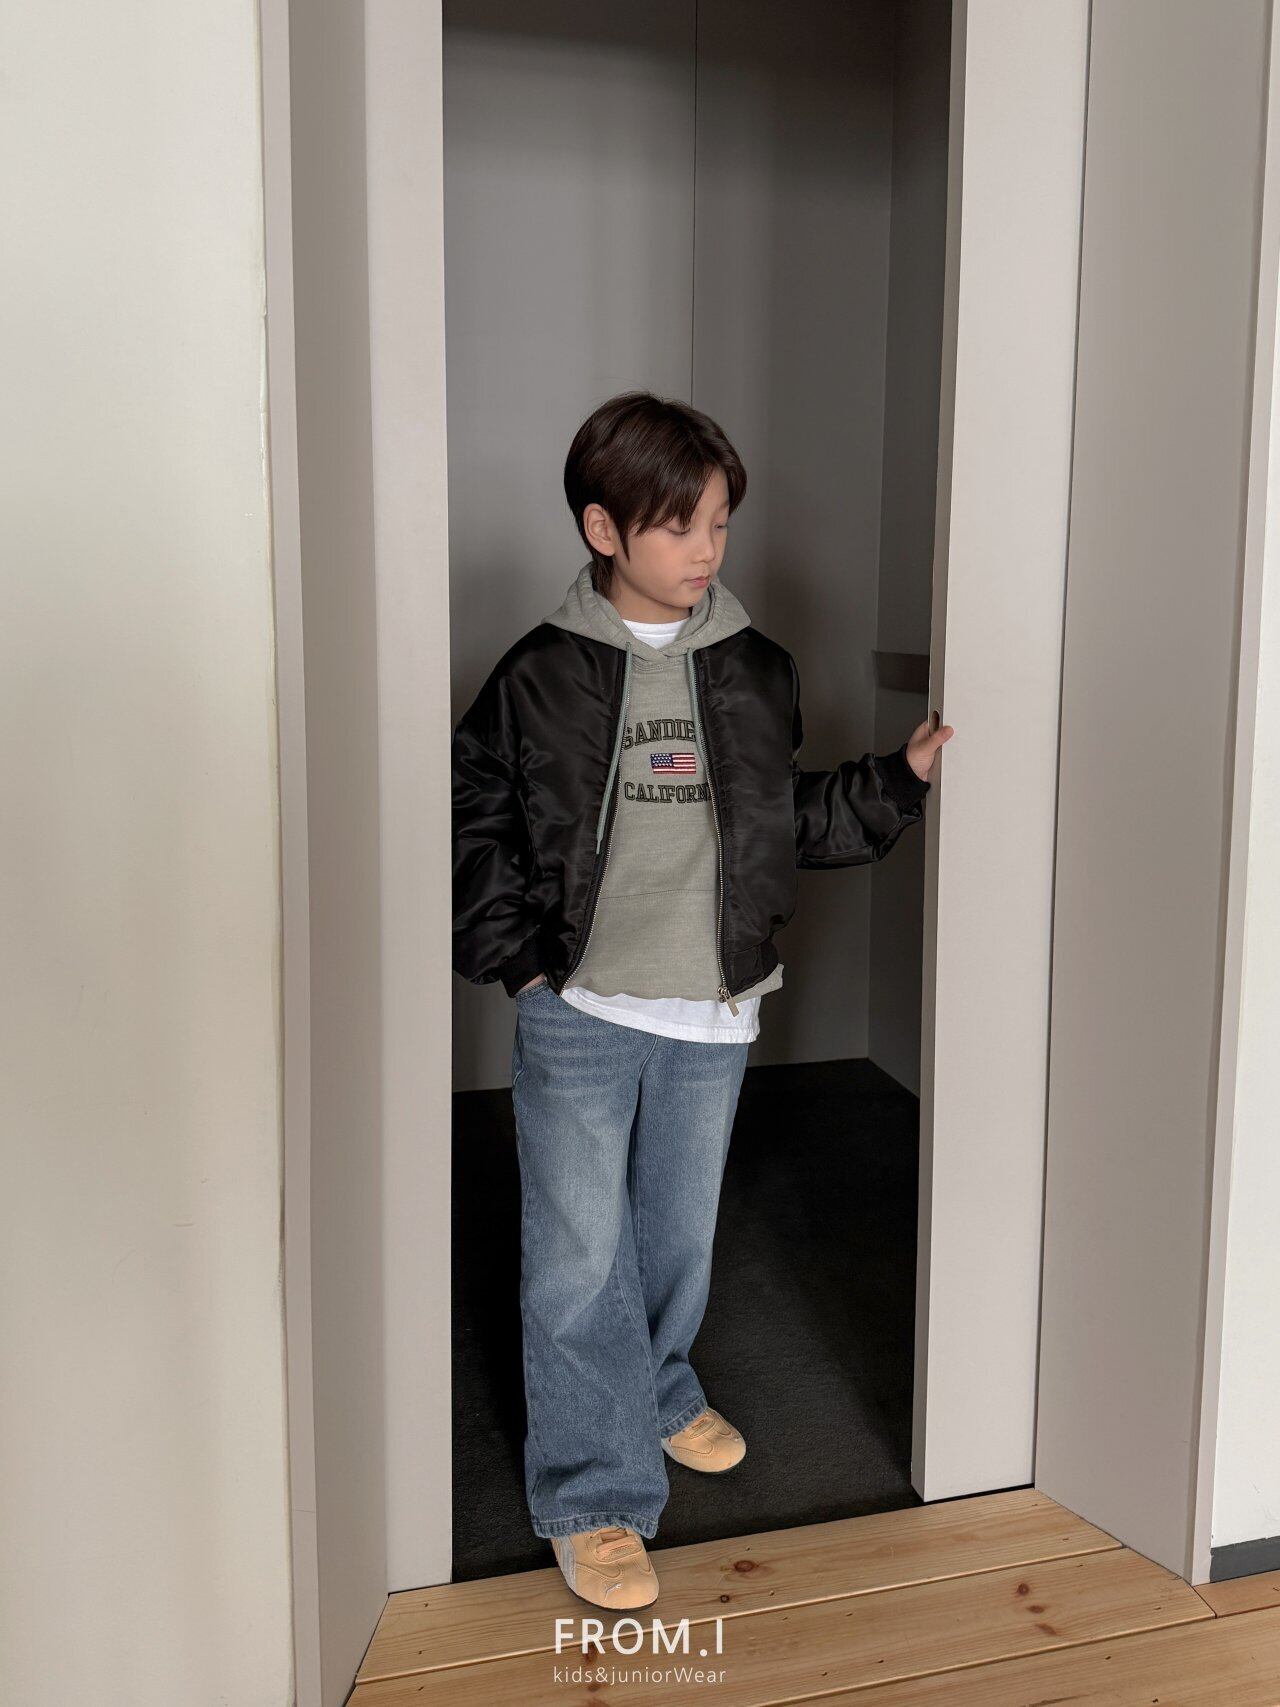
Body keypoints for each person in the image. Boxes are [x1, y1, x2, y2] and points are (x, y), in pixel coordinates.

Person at [452, 390, 953, 1608]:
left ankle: (659, 1388)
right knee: (577, 1258)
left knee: (674, 1236)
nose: (705, 549)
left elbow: (785, 822)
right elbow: (471, 815)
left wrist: (895, 781)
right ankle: (593, 1493)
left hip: (714, 1008)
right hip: (579, 1005)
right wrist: (520, 962)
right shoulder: (536, 673)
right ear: (603, 529)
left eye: (718, 522)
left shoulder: (755, 668)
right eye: (677, 526)